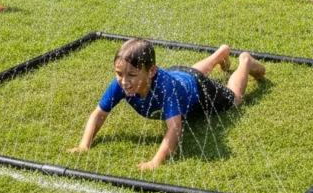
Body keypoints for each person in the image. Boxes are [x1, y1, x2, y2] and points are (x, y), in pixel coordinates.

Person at [68, 39, 266, 171]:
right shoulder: (121, 84)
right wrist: (84, 145)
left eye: (132, 75)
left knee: (235, 99)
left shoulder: (165, 89)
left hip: (197, 88)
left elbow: (175, 128)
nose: (124, 81)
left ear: (151, 71)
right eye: (119, 74)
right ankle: (219, 55)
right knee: (189, 74)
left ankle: (245, 62)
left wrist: (156, 161)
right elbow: (98, 115)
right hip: (182, 75)